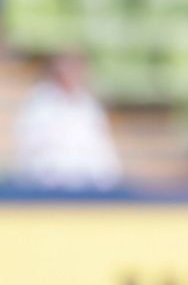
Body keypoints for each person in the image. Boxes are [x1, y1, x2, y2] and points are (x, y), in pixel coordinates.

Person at [11, 51, 121, 190]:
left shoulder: (88, 104)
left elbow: (101, 149)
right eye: (67, 67)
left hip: (87, 185)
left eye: (76, 68)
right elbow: (34, 149)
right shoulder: (39, 104)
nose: (72, 73)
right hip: (47, 185)